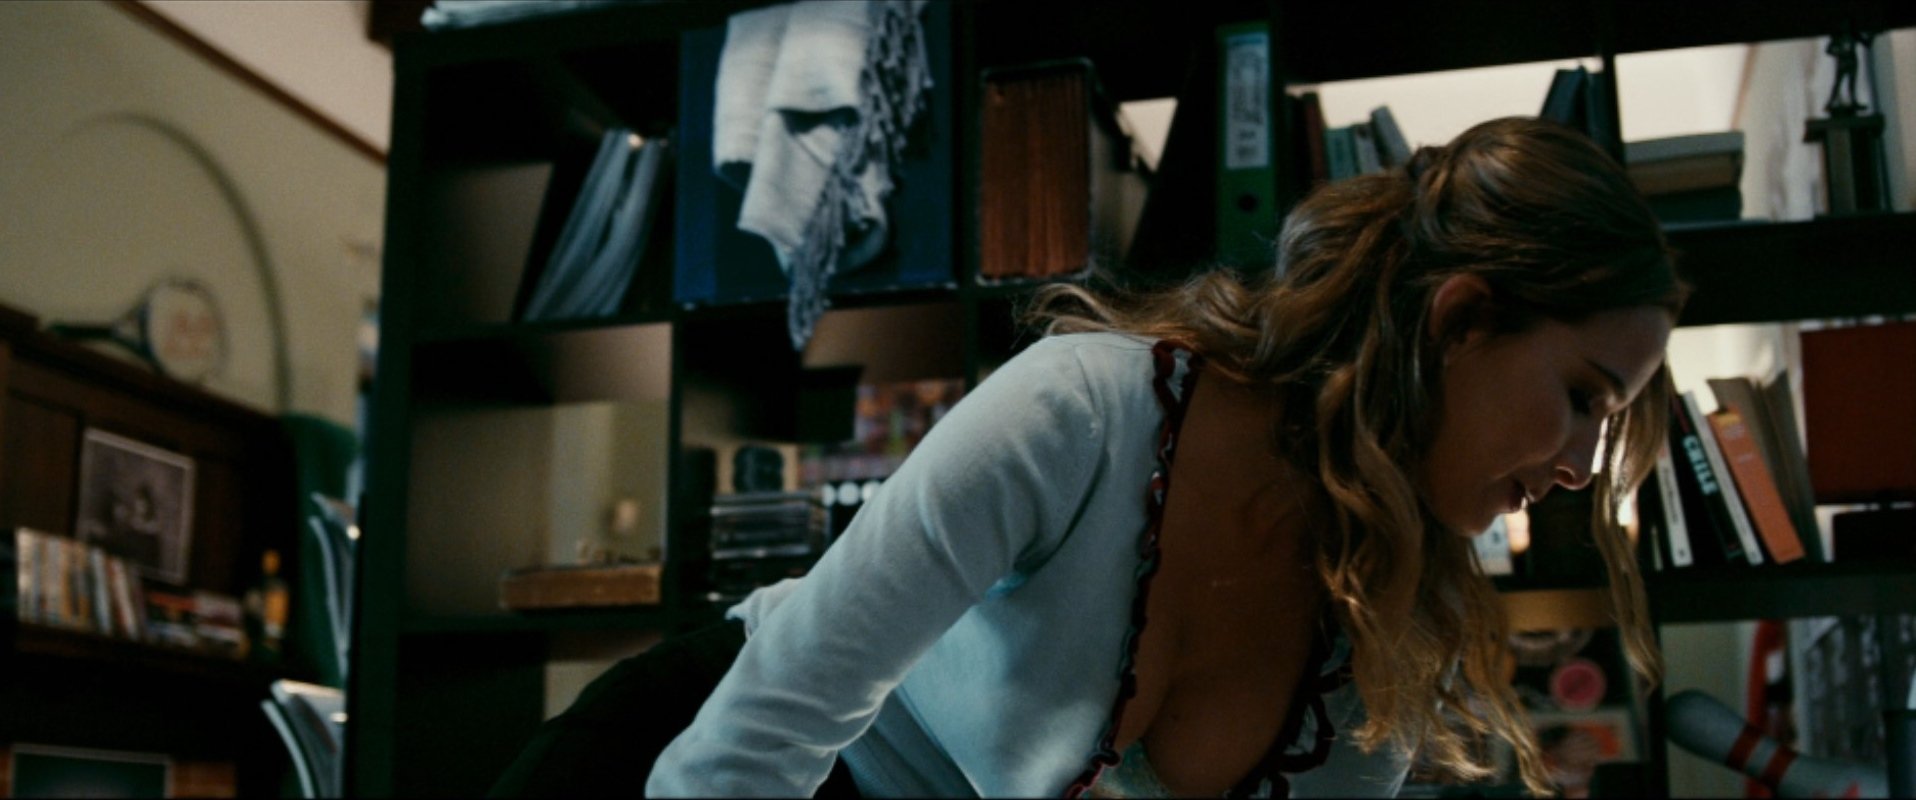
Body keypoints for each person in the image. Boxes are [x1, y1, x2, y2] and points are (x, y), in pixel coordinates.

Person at [490, 116, 1687, 798]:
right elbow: (753, 738)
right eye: (1582, 396)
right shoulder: (1085, 408)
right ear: (1460, 320)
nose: (1583, 463)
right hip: (705, 753)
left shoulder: (1390, 616)